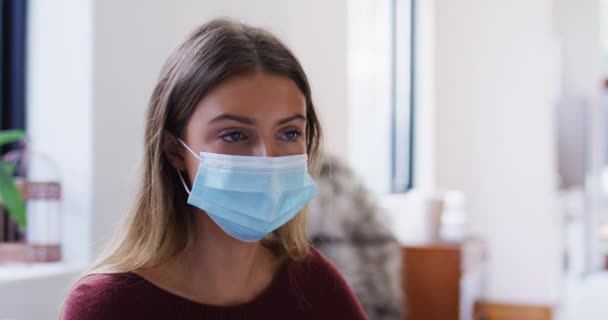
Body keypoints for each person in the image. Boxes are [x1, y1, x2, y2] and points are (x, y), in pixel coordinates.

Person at [61, 18, 368, 319]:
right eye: (234, 135)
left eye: (289, 133)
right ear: (175, 150)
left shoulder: (316, 285)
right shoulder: (107, 307)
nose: (267, 159)